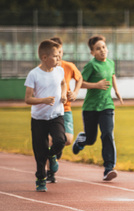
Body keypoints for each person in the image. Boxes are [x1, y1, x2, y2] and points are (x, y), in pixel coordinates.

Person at [72, 35, 123, 181]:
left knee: (107, 134)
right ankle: (82, 140)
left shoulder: (111, 63)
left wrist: (117, 91)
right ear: (92, 52)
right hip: (90, 108)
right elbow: (80, 82)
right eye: (98, 49)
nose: (102, 50)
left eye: (104, 47)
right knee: (91, 139)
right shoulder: (91, 65)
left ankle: (109, 168)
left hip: (107, 106)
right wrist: (96, 85)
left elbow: (112, 75)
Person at [25, 39, 67, 192]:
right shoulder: (34, 75)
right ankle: (41, 178)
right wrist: (43, 100)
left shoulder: (59, 70)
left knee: (60, 140)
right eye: (55, 56)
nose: (58, 59)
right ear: (44, 57)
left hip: (56, 114)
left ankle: (52, 156)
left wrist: (63, 95)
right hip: (39, 118)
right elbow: (27, 99)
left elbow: (63, 83)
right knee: (40, 150)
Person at [46, 36, 83, 183]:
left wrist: (74, 92)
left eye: (60, 51)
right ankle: (50, 172)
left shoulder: (68, 66)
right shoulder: (45, 69)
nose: (58, 55)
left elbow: (79, 78)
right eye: (55, 52)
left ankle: (57, 149)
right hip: (49, 111)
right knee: (49, 140)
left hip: (65, 109)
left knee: (67, 140)